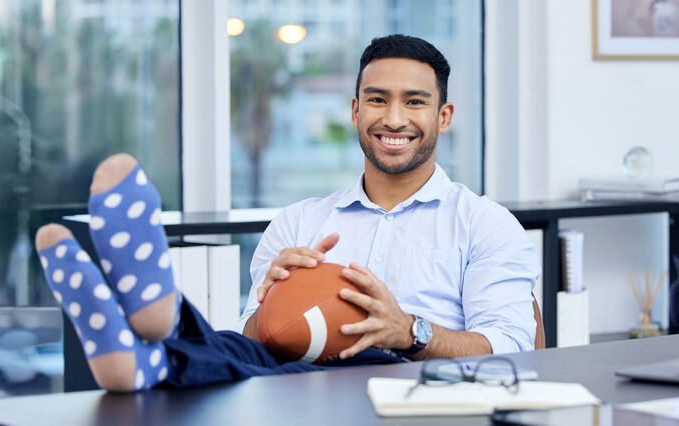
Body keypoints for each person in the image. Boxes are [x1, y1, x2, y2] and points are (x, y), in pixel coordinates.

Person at [34, 34, 538, 392]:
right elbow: (257, 338)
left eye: (415, 102)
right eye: (377, 100)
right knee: (237, 351)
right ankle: (151, 340)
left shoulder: (484, 223)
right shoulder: (299, 221)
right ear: (355, 111)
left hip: (412, 388)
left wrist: (409, 332)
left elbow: (513, 350)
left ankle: (155, 348)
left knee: (276, 375)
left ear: (442, 116)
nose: (394, 119)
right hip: (297, 381)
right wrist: (272, 304)